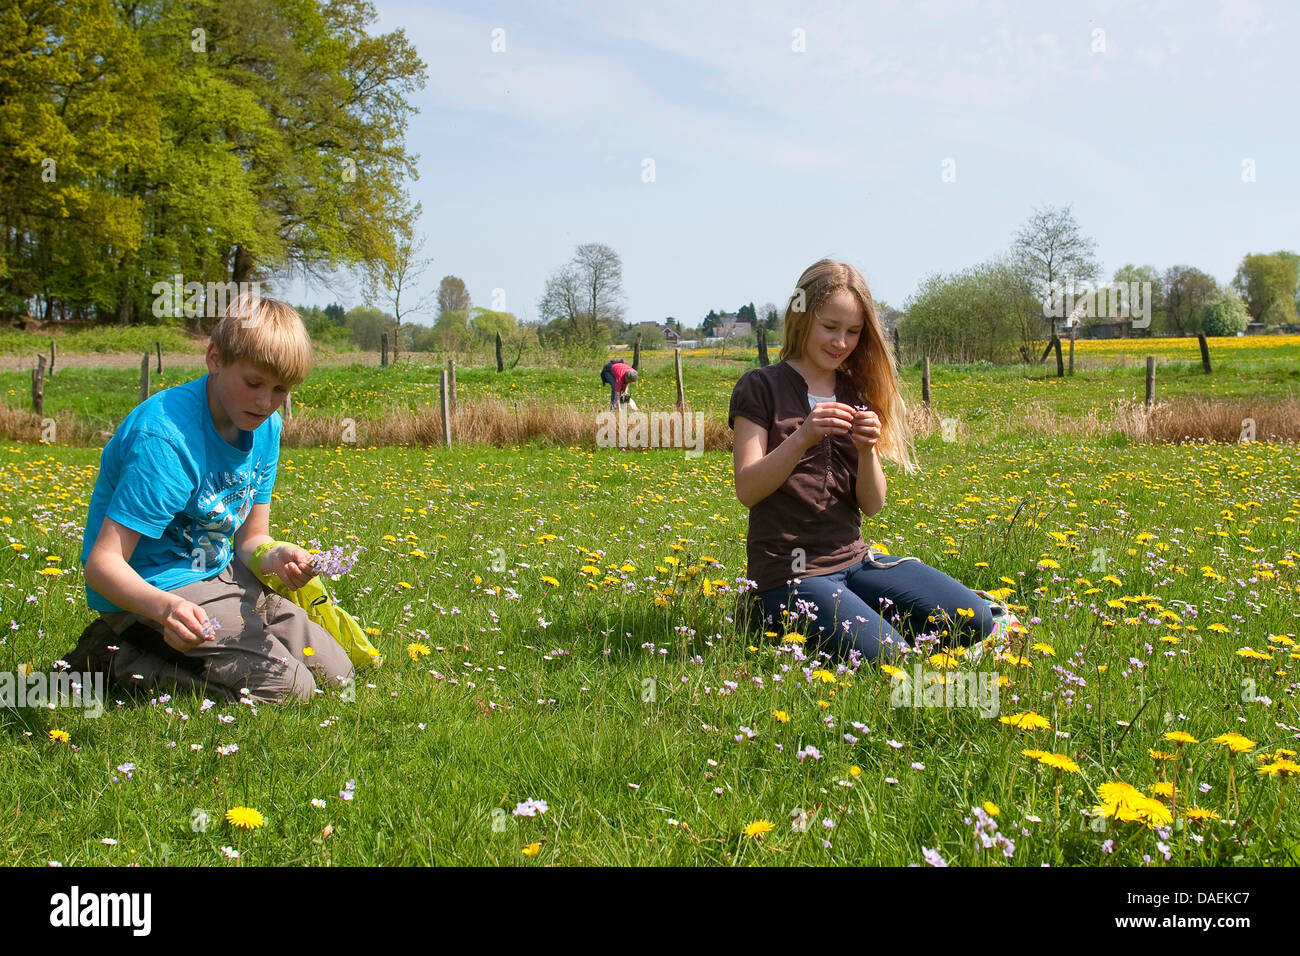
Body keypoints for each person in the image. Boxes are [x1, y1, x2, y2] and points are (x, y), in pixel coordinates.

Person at [71, 293, 354, 703]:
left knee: (339, 674)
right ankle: (115, 657)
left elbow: (251, 537)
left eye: (280, 389)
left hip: (222, 574)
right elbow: (101, 566)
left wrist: (274, 557)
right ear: (215, 359)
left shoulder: (266, 428)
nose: (265, 402)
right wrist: (165, 610)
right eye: (254, 383)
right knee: (292, 692)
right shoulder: (166, 439)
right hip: (155, 587)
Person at [728, 259, 997, 661]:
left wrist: (869, 449)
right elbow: (748, 488)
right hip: (790, 572)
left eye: (853, 332)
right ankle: (769, 614)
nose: (841, 342)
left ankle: (866, 615)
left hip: (855, 561)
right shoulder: (761, 386)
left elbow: (872, 505)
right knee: (893, 659)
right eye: (830, 327)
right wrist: (804, 435)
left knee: (975, 620)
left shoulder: (856, 391)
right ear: (802, 319)